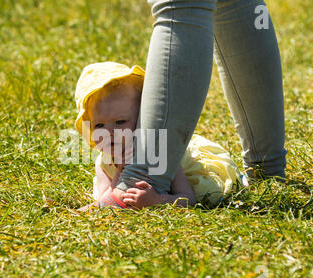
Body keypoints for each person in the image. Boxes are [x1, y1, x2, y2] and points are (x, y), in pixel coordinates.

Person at [95, 0, 287, 208]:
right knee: (234, 2)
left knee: (182, 3)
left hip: (178, 191)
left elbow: (188, 200)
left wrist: (155, 196)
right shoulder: (105, 160)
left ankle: (143, 179)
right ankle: (267, 169)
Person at [75, 62, 246, 210]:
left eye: (120, 122)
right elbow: (104, 202)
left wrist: (156, 201)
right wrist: (118, 180)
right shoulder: (104, 162)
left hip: (192, 174)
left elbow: (189, 199)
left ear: (142, 119)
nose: (109, 132)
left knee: (209, 192)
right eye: (99, 125)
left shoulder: (161, 152)